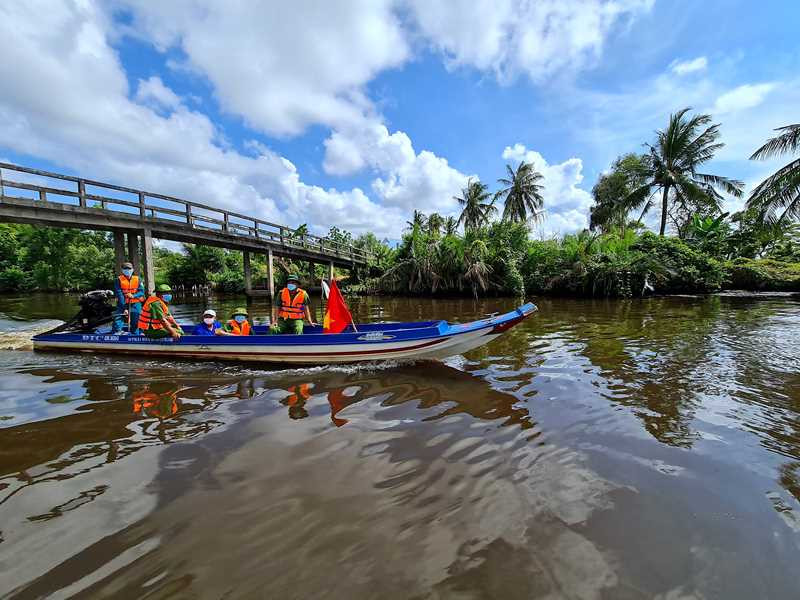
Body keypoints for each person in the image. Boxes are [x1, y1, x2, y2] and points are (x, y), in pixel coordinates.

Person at [112, 261, 145, 333]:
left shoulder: (138, 279)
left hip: (135, 304)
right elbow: (119, 294)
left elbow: (141, 292)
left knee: (136, 321)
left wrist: (133, 295)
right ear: (122, 270)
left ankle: (136, 335)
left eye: (129, 269)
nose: (127, 270)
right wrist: (124, 308)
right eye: (125, 269)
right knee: (118, 318)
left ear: (132, 269)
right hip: (122, 303)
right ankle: (117, 332)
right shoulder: (118, 280)